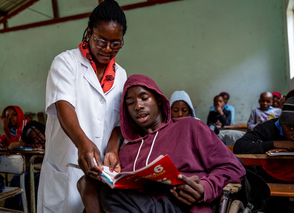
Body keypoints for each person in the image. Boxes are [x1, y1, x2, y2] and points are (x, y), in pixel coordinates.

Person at [99, 75, 246, 213]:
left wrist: (205, 187)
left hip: (185, 206)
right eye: (130, 103)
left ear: (158, 99)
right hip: (142, 205)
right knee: (104, 190)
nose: (138, 106)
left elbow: (233, 167)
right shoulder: (127, 150)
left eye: (144, 98)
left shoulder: (190, 127)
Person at [37, 1, 127, 212]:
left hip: (100, 174)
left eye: (116, 43)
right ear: (89, 33)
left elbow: (118, 122)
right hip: (66, 167)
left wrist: (113, 148)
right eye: (101, 40)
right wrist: (83, 143)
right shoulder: (66, 63)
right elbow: (64, 106)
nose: (107, 49)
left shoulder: (121, 75)